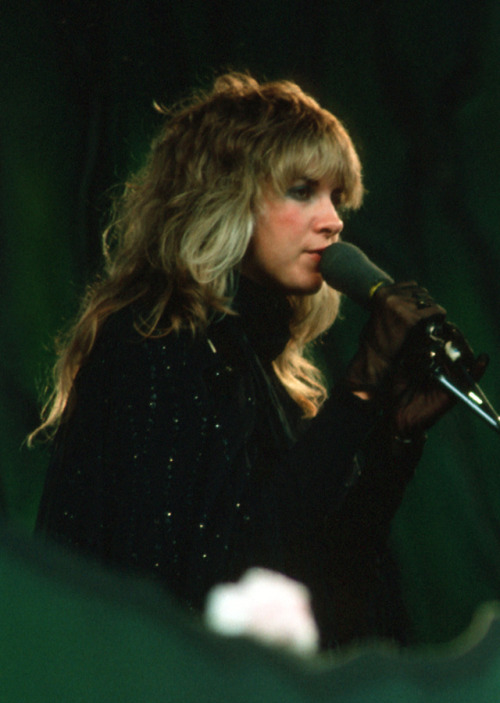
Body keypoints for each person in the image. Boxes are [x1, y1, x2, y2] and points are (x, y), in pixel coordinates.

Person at [30, 72, 483, 649]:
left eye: (336, 198)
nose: (333, 219)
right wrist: (360, 387)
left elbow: (318, 599)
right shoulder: (152, 345)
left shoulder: (256, 369)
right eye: (302, 190)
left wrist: (393, 442)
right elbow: (223, 584)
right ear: (224, 196)